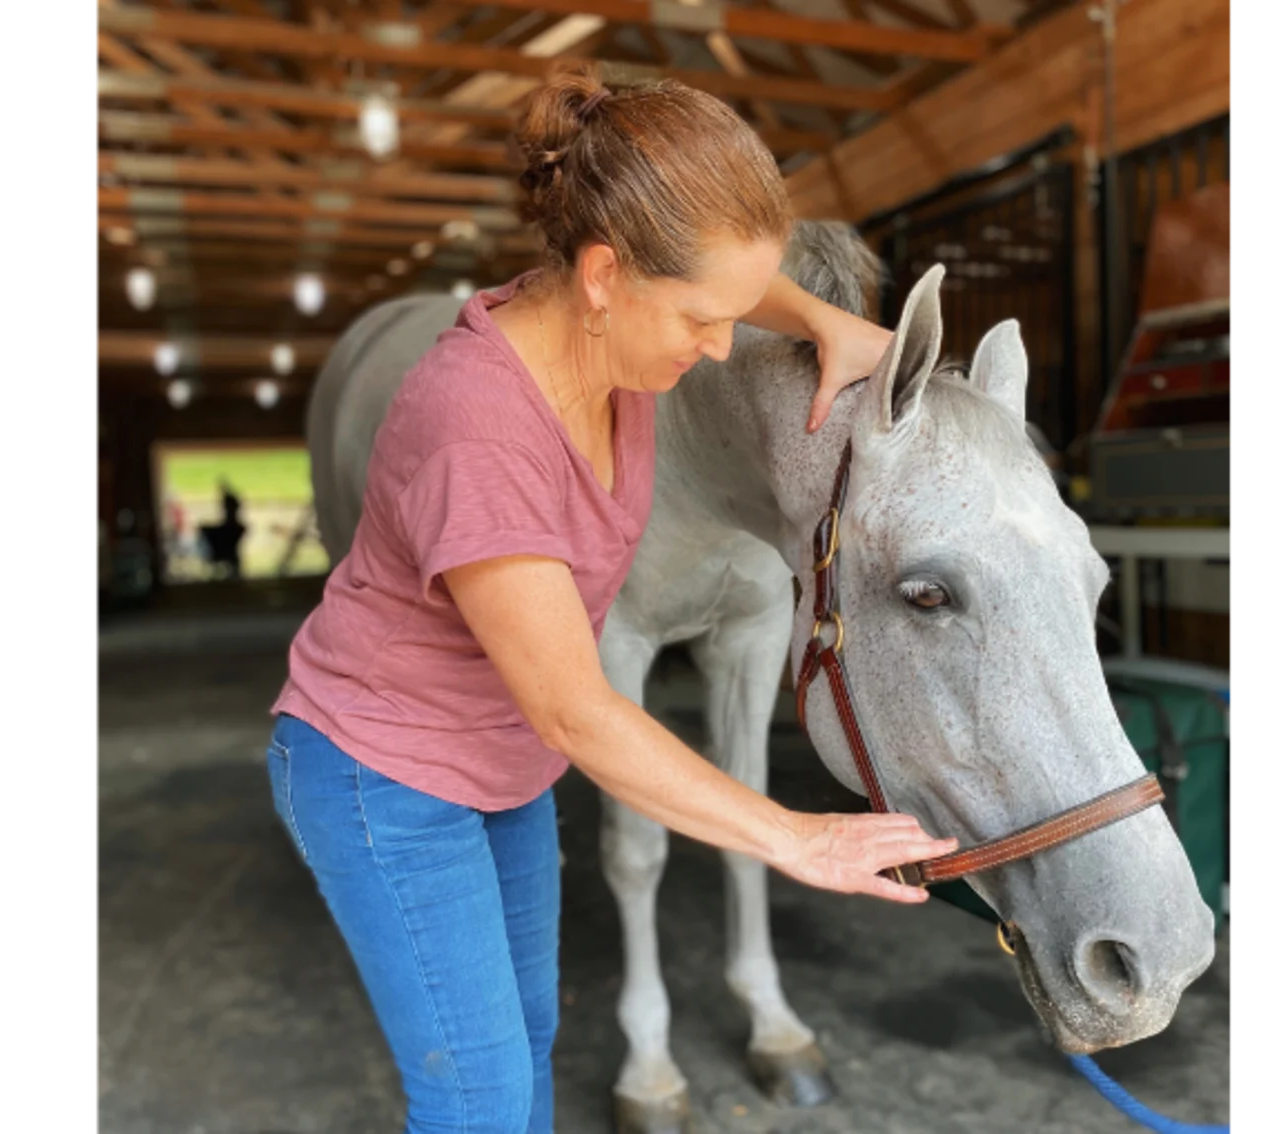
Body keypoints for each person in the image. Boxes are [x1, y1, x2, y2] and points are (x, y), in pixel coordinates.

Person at [265, 65, 958, 1134]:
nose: (723, 346)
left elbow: (721, 279)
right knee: (477, 1097)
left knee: (527, 1040)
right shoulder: (480, 429)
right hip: (383, 775)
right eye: (701, 320)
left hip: (502, 763)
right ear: (605, 275)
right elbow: (576, 711)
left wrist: (826, 320)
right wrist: (794, 837)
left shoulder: (620, 331)